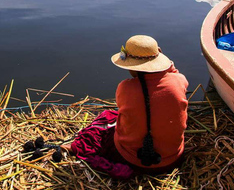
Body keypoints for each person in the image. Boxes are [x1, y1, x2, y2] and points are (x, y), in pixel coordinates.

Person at [60, 35, 189, 179]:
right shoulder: (179, 81)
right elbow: (173, 74)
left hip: (131, 160)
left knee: (105, 122)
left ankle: (73, 146)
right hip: (172, 160)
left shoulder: (126, 88)